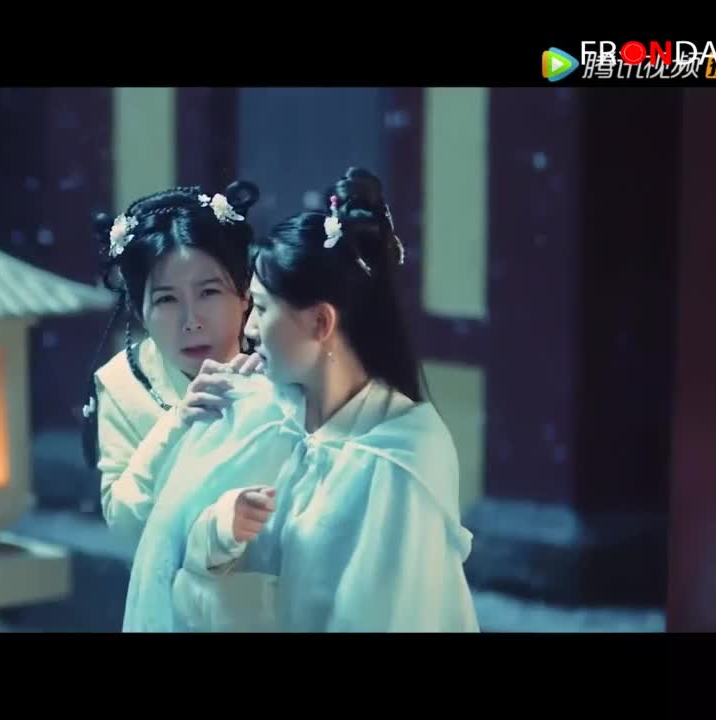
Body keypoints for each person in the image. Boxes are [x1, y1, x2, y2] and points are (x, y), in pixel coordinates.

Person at [122, 167, 480, 632]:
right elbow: (165, 555)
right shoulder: (250, 408)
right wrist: (218, 529)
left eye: (262, 308)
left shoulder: (400, 458)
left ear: (320, 323)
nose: (249, 329)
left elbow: (394, 616)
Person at [80, 181, 263, 550]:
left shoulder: (282, 360)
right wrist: (177, 424)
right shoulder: (122, 384)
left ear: (245, 294)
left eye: (209, 292)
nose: (191, 321)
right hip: (175, 575)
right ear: (138, 311)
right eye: (166, 300)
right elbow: (125, 525)